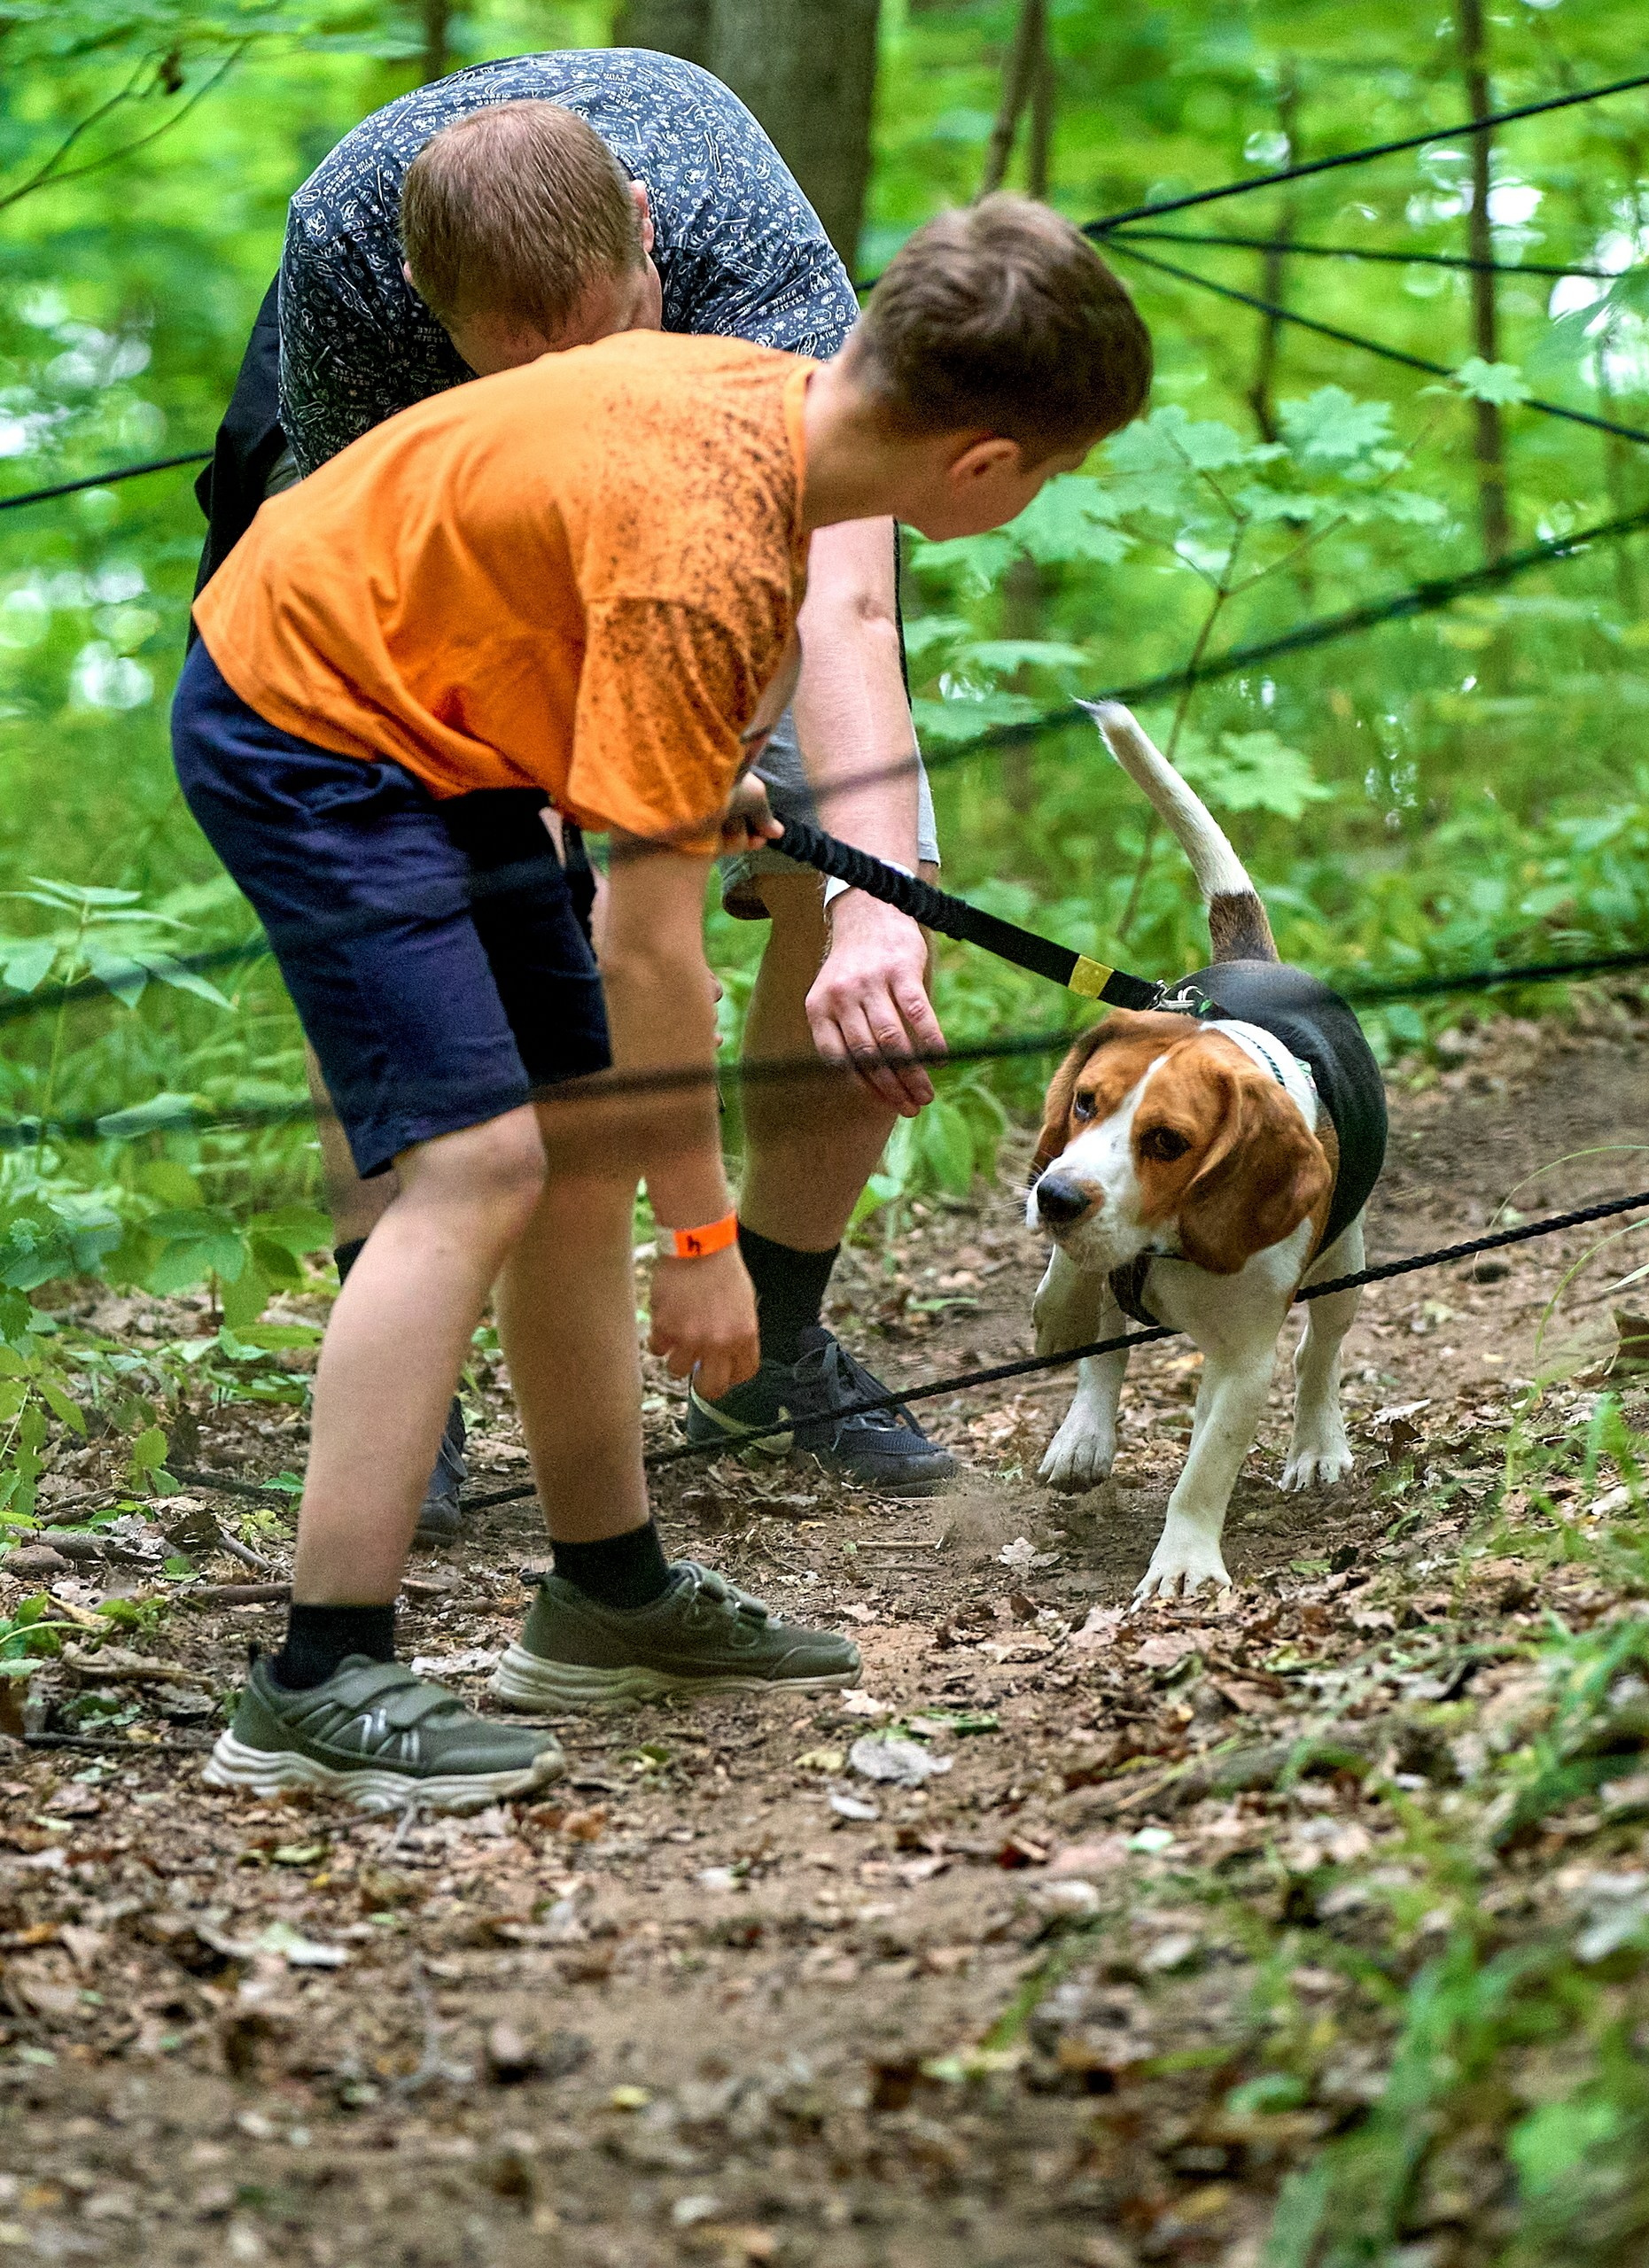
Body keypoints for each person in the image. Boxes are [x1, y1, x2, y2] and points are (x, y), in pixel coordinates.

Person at [172, 160, 1154, 1811]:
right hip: (314, 733)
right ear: (982, 463)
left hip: (446, 719)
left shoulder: (763, 404)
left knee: (563, 1156)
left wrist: (666, 777)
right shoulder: (720, 555)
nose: (1030, 497)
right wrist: (705, 1252)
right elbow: (651, 953)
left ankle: (606, 1594)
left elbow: (561, 586)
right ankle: (316, 1677)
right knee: (477, 1164)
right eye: (1048, 475)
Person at [194, 52, 965, 1540]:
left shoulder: (749, 257)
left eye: (612, 342)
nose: (580, 398)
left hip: (719, 525)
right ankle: (402, 1372)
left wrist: (880, 903)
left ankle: (772, 1342)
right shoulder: (356, 262)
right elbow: (423, 614)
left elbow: (847, 614)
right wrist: (597, 821)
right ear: (437, 314)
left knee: (873, 868)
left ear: (643, 234)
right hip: (445, 569)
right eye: (525, 372)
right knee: (436, 909)